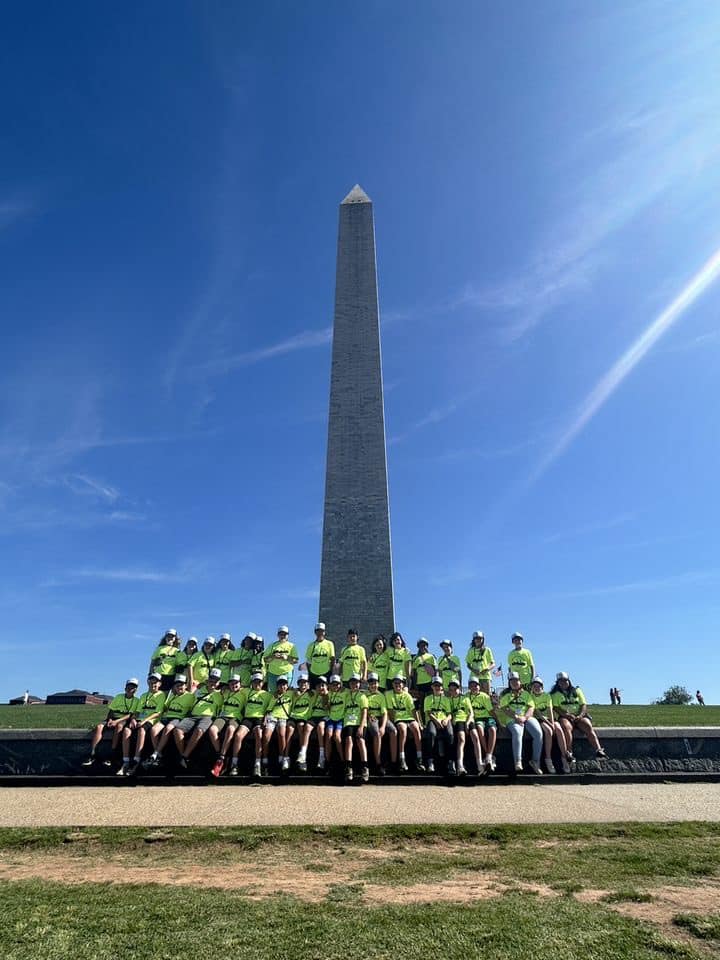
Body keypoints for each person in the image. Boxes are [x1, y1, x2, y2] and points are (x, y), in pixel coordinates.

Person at [82, 679, 140, 767]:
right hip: (113, 718)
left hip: (122, 719)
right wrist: (109, 719)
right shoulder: (119, 697)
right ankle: (92, 753)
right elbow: (111, 710)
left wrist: (116, 722)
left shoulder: (136, 700)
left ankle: (112, 754)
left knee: (119, 727)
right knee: (99, 727)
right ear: (125, 688)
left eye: (133, 687)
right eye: (129, 687)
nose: (130, 689)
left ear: (136, 690)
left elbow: (130, 715)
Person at [174, 668, 225, 768]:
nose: (212, 682)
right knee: (177, 730)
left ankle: (184, 756)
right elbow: (189, 694)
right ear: (207, 680)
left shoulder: (220, 694)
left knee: (199, 730)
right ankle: (183, 755)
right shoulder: (199, 690)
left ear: (218, 682)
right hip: (193, 716)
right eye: (211, 680)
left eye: (215, 681)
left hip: (208, 717)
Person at [551, 672, 608, 760]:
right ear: (557, 682)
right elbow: (556, 708)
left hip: (579, 716)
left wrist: (580, 715)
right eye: (561, 681)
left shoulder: (577, 690)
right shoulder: (554, 694)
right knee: (566, 727)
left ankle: (599, 750)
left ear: (569, 681)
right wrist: (567, 715)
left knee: (587, 725)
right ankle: (569, 752)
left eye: (565, 681)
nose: (563, 683)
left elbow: (583, 705)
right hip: (565, 716)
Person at [119, 673, 165, 776]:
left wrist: (143, 721)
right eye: (151, 681)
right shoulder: (144, 695)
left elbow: (157, 713)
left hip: (151, 720)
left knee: (141, 730)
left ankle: (136, 760)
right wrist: (133, 719)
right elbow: (137, 711)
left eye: (155, 682)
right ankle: (125, 761)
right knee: (126, 731)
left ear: (160, 684)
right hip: (140, 719)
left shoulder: (161, 695)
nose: (153, 684)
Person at [498, 670, 543, 774]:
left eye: (516, 680)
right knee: (518, 733)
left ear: (520, 681)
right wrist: (516, 717)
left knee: (538, 733)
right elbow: (505, 709)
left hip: (526, 717)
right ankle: (518, 761)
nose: (514, 682)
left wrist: (525, 717)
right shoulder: (506, 694)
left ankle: (535, 761)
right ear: (509, 683)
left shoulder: (526, 694)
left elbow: (531, 707)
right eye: (512, 681)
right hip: (512, 719)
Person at [145, 675, 196, 767]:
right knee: (154, 730)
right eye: (177, 685)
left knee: (168, 728)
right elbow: (165, 708)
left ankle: (155, 754)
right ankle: (159, 755)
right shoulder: (172, 696)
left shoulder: (191, 696)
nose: (179, 687)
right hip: (166, 717)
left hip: (177, 718)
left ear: (185, 686)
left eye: (181, 684)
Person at [228, 672, 273, 776]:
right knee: (238, 735)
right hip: (247, 718)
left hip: (259, 719)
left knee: (259, 734)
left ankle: (257, 764)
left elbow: (276, 700)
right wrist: (225, 687)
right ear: (251, 683)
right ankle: (234, 764)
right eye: (255, 682)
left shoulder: (267, 695)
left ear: (262, 683)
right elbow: (235, 686)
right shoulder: (246, 691)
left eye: (259, 682)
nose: (257, 684)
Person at [530, 676, 573, 774]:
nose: (537, 688)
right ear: (532, 687)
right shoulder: (530, 696)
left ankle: (564, 757)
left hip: (550, 718)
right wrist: (550, 724)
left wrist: (553, 723)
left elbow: (550, 710)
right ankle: (548, 759)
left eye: (539, 686)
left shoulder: (547, 696)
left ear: (542, 687)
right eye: (534, 686)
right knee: (548, 731)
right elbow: (538, 713)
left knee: (559, 729)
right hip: (540, 719)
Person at [209, 673, 247, 777]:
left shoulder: (244, 693)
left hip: (235, 717)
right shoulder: (224, 692)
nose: (233, 685)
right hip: (223, 716)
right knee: (212, 730)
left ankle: (221, 759)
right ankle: (221, 756)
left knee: (230, 729)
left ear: (240, 684)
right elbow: (213, 689)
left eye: (236, 683)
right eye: (231, 683)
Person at [385, 675, 425, 772]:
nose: (397, 685)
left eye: (399, 683)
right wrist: (393, 722)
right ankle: (402, 759)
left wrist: (420, 723)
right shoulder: (388, 694)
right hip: (398, 718)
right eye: (395, 683)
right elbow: (390, 711)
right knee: (403, 730)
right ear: (392, 684)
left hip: (409, 717)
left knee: (416, 729)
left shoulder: (407, 695)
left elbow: (413, 711)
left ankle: (419, 759)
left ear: (403, 684)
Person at [262, 675, 294, 773]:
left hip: (283, 717)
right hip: (272, 716)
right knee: (266, 736)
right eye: (280, 684)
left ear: (287, 685)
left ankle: (282, 757)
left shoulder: (291, 693)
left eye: (284, 684)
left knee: (281, 734)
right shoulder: (274, 696)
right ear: (277, 686)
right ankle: (264, 759)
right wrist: (265, 718)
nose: (282, 686)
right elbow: (269, 709)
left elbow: (302, 691)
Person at [422, 676, 453, 774]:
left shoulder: (446, 699)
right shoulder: (428, 698)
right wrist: (437, 721)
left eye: (439, 685)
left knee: (450, 734)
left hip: (444, 720)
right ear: (432, 687)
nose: (437, 687)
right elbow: (428, 713)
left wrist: (446, 720)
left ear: (442, 687)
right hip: (433, 720)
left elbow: (449, 713)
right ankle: (430, 761)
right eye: (435, 685)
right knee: (431, 733)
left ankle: (450, 761)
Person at [366, 672, 395, 775]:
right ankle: (378, 763)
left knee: (393, 730)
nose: (373, 685)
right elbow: (363, 710)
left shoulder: (381, 696)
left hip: (381, 717)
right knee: (376, 733)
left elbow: (384, 713)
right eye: (371, 683)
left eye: (375, 683)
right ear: (368, 684)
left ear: (378, 684)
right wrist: (368, 715)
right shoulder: (365, 695)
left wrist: (383, 726)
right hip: (371, 718)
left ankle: (394, 761)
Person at [342, 674, 369, 782]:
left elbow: (364, 712)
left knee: (360, 740)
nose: (354, 684)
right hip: (348, 721)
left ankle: (365, 767)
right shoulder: (346, 695)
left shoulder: (362, 696)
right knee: (349, 740)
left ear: (360, 684)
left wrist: (361, 726)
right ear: (349, 684)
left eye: (356, 682)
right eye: (352, 682)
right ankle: (348, 767)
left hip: (359, 722)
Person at [466, 676, 497, 772]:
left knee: (492, 729)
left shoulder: (484, 696)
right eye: (471, 686)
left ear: (479, 686)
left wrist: (498, 721)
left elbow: (491, 711)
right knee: (479, 728)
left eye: (475, 685)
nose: (474, 687)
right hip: (477, 718)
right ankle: (489, 757)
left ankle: (488, 755)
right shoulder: (467, 696)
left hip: (488, 717)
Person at [287, 673, 315, 771]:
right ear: (298, 684)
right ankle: (286, 758)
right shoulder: (294, 693)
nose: (303, 684)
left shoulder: (312, 693)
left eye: (305, 682)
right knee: (289, 729)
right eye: (301, 682)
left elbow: (324, 691)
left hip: (304, 717)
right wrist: (294, 690)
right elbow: (284, 690)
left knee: (301, 726)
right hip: (293, 716)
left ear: (308, 684)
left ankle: (303, 757)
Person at [447, 679, 473, 776]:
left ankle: (460, 765)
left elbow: (471, 713)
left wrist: (467, 723)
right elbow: (448, 713)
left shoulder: (465, 699)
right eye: (451, 689)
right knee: (454, 739)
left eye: (455, 688)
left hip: (463, 721)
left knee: (462, 739)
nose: (453, 691)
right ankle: (457, 764)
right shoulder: (448, 700)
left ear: (459, 688)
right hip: (453, 722)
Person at [264, 626, 298, 693]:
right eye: (281, 634)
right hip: (272, 673)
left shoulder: (292, 646)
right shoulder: (272, 645)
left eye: (285, 634)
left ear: (288, 635)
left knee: (285, 693)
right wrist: (273, 656)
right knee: (274, 693)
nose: (283, 636)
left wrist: (286, 658)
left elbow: (295, 660)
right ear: (278, 635)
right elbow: (265, 659)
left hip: (286, 672)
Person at [324, 674, 347, 768]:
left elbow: (354, 689)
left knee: (337, 736)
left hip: (340, 719)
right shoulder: (328, 694)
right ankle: (327, 761)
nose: (336, 686)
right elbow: (324, 706)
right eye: (333, 684)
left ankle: (342, 760)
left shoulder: (345, 692)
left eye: (337, 684)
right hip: (331, 718)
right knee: (329, 735)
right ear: (330, 685)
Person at [304, 623, 335, 689]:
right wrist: (310, 673)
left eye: (322, 631)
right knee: (313, 694)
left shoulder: (329, 644)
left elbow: (332, 658)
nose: (320, 633)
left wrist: (330, 671)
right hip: (314, 674)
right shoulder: (311, 645)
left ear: (324, 632)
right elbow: (308, 661)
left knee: (326, 693)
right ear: (315, 632)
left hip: (326, 673)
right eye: (318, 631)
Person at [308, 676, 330, 770]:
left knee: (320, 727)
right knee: (307, 728)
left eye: (322, 685)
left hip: (325, 716)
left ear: (326, 686)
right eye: (318, 686)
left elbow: (327, 708)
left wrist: (325, 696)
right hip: (314, 716)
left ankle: (321, 755)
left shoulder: (330, 695)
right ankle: (303, 753)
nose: (320, 688)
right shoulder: (314, 694)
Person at [412, 638, 437, 703]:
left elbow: (435, 670)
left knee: (431, 702)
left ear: (427, 646)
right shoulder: (415, 658)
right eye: (421, 645)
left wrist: (435, 682)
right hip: (419, 684)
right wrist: (415, 686)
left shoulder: (431, 656)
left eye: (424, 645)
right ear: (418, 647)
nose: (423, 647)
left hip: (430, 683)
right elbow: (414, 673)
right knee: (421, 702)